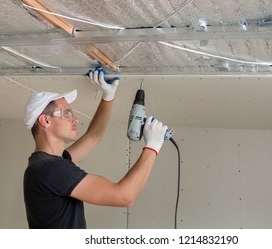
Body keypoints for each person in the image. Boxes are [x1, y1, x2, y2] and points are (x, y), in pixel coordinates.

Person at [23, 68, 168, 229]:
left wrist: (108, 97)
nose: (75, 119)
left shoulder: (46, 165)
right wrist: (152, 147)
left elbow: (93, 137)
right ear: (45, 121)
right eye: (66, 114)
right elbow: (124, 196)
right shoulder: (51, 169)